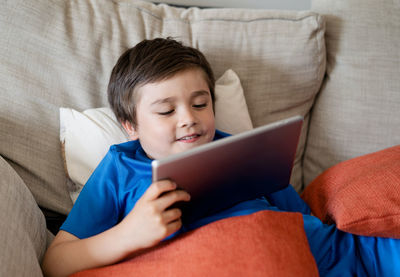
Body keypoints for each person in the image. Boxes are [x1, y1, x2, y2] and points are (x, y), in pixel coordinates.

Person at [42, 38, 400, 277]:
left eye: (200, 104)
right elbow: (56, 262)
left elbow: (300, 219)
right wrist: (128, 235)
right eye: (166, 111)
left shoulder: (245, 150)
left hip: (320, 253)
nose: (189, 118)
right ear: (130, 126)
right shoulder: (122, 167)